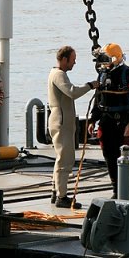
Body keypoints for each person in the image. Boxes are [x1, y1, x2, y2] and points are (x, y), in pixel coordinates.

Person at [87, 43, 129, 199]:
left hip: (123, 122)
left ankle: (128, 191)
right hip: (106, 120)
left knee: (123, 156)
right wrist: (93, 119)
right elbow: (99, 99)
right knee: (109, 156)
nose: (103, 63)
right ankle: (116, 190)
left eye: (106, 58)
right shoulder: (103, 75)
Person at [47, 46, 99, 209]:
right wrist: (91, 85)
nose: (74, 63)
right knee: (66, 159)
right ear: (64, 59)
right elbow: (72, 92)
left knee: (61, 157)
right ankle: (62, 197)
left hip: (61, 119)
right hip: (61, 121)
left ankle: (56, 191)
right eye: (72, 59)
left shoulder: (56, 73)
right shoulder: (59, 74)